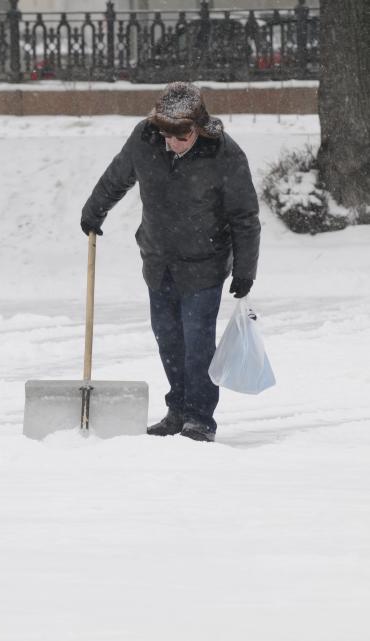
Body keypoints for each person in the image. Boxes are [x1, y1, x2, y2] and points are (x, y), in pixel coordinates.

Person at [81, 82, 260, 442]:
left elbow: (245, 216)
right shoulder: (145, 138)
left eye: (180, 136)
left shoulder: (224, 154)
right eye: (166, 134)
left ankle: (199, 419)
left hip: (204, 264)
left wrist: (244, 269)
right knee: (168, 340)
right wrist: (94, 210)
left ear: (198, 126)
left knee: (198, 343)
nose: (171, 143)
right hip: (158, 259)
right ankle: (177, 410)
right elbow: (118, 175)